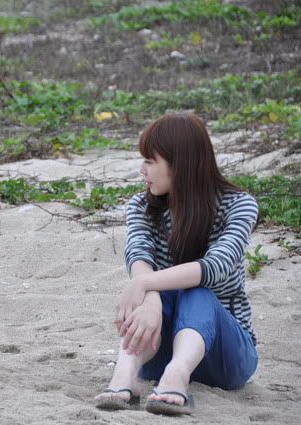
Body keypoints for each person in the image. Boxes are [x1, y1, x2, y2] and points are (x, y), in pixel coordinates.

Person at [93, 112, 259, 416]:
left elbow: (215, 266)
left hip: (227, 358)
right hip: (158, 351)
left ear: (179, 163)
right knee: (154, 293)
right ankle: (125, 374)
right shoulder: (142, 206)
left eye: (150, 161)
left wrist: (145, 284)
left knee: (195, 292)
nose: (142, 170)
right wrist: (151, 297)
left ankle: (177, 375)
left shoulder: (239, 205)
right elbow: (139, 255)